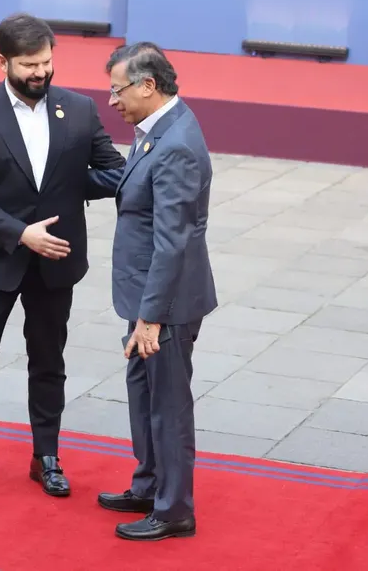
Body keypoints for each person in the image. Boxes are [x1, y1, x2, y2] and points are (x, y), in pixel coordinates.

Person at [0, 13, 127, 499]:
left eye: (46, 62)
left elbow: (114, 171)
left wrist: (68, 187)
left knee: (48, 360)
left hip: (56, 260)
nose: (41, 72)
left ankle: (46, 456)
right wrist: (22, 233)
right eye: (29, 65)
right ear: (2, 62)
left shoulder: (80, 110)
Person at [87, 42, 217, 541]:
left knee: (167, 404)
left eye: (117, 90)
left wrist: (151, 319)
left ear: (148, 85)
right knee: (142, 395)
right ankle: (148, 484)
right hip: (146, 298)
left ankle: (174, 510)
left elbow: (172, 242)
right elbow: (130, 185)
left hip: (166, 304)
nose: (112, 101)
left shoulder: (177, 144)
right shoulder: (156, 131)